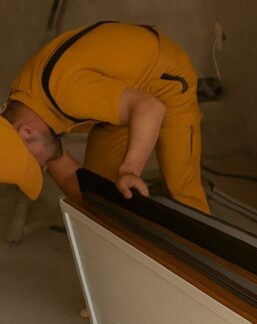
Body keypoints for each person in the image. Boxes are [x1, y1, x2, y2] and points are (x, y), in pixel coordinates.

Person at [0, 21, 208, 212]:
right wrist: (94, 209)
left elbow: (150, 108)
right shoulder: (21, 110)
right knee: (102, 196)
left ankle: (205, 249)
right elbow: (81, 192)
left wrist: (131, 170)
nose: (43, 168)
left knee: (183, 191)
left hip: (164, 82)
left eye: (38, 165)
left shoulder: (67, 91)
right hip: (123, 101)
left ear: (26, 133)